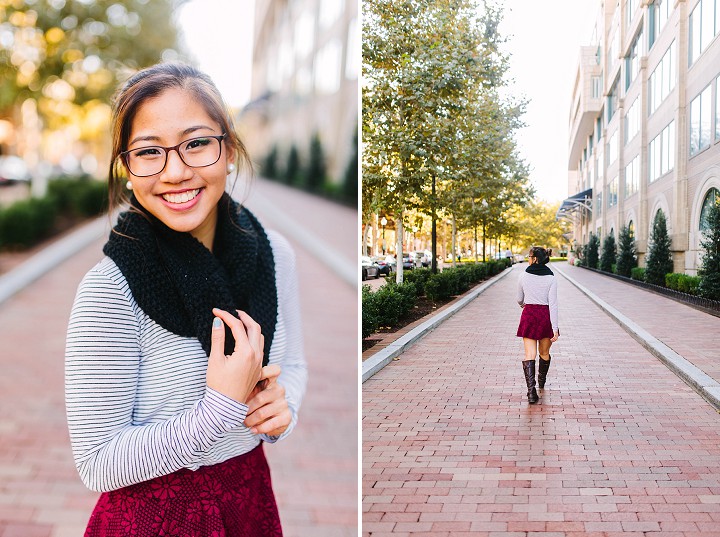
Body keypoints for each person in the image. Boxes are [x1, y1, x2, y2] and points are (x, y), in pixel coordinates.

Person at [65, 62, 307, 536]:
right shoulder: (109, 289)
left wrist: (283, 409)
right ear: (127, 168)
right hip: (152, 519)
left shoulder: (276, 256)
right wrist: (219, 410)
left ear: (229, 149)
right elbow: (96, 462)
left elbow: (293, 367)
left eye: (196, 143)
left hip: (249, 499)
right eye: (149, 152)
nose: (175, 172)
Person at [516, 246, 559, 404]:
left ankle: (531, 392)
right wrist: (555, 328)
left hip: (529, 315)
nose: (528, 258)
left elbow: (519, 298)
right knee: (544, 352)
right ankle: (541, 381)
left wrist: (523, 304)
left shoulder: (523, 275)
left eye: (529, 256)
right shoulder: (551, 278)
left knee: (529, 355)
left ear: (535, 259)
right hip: (545, 316)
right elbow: (553, 304)